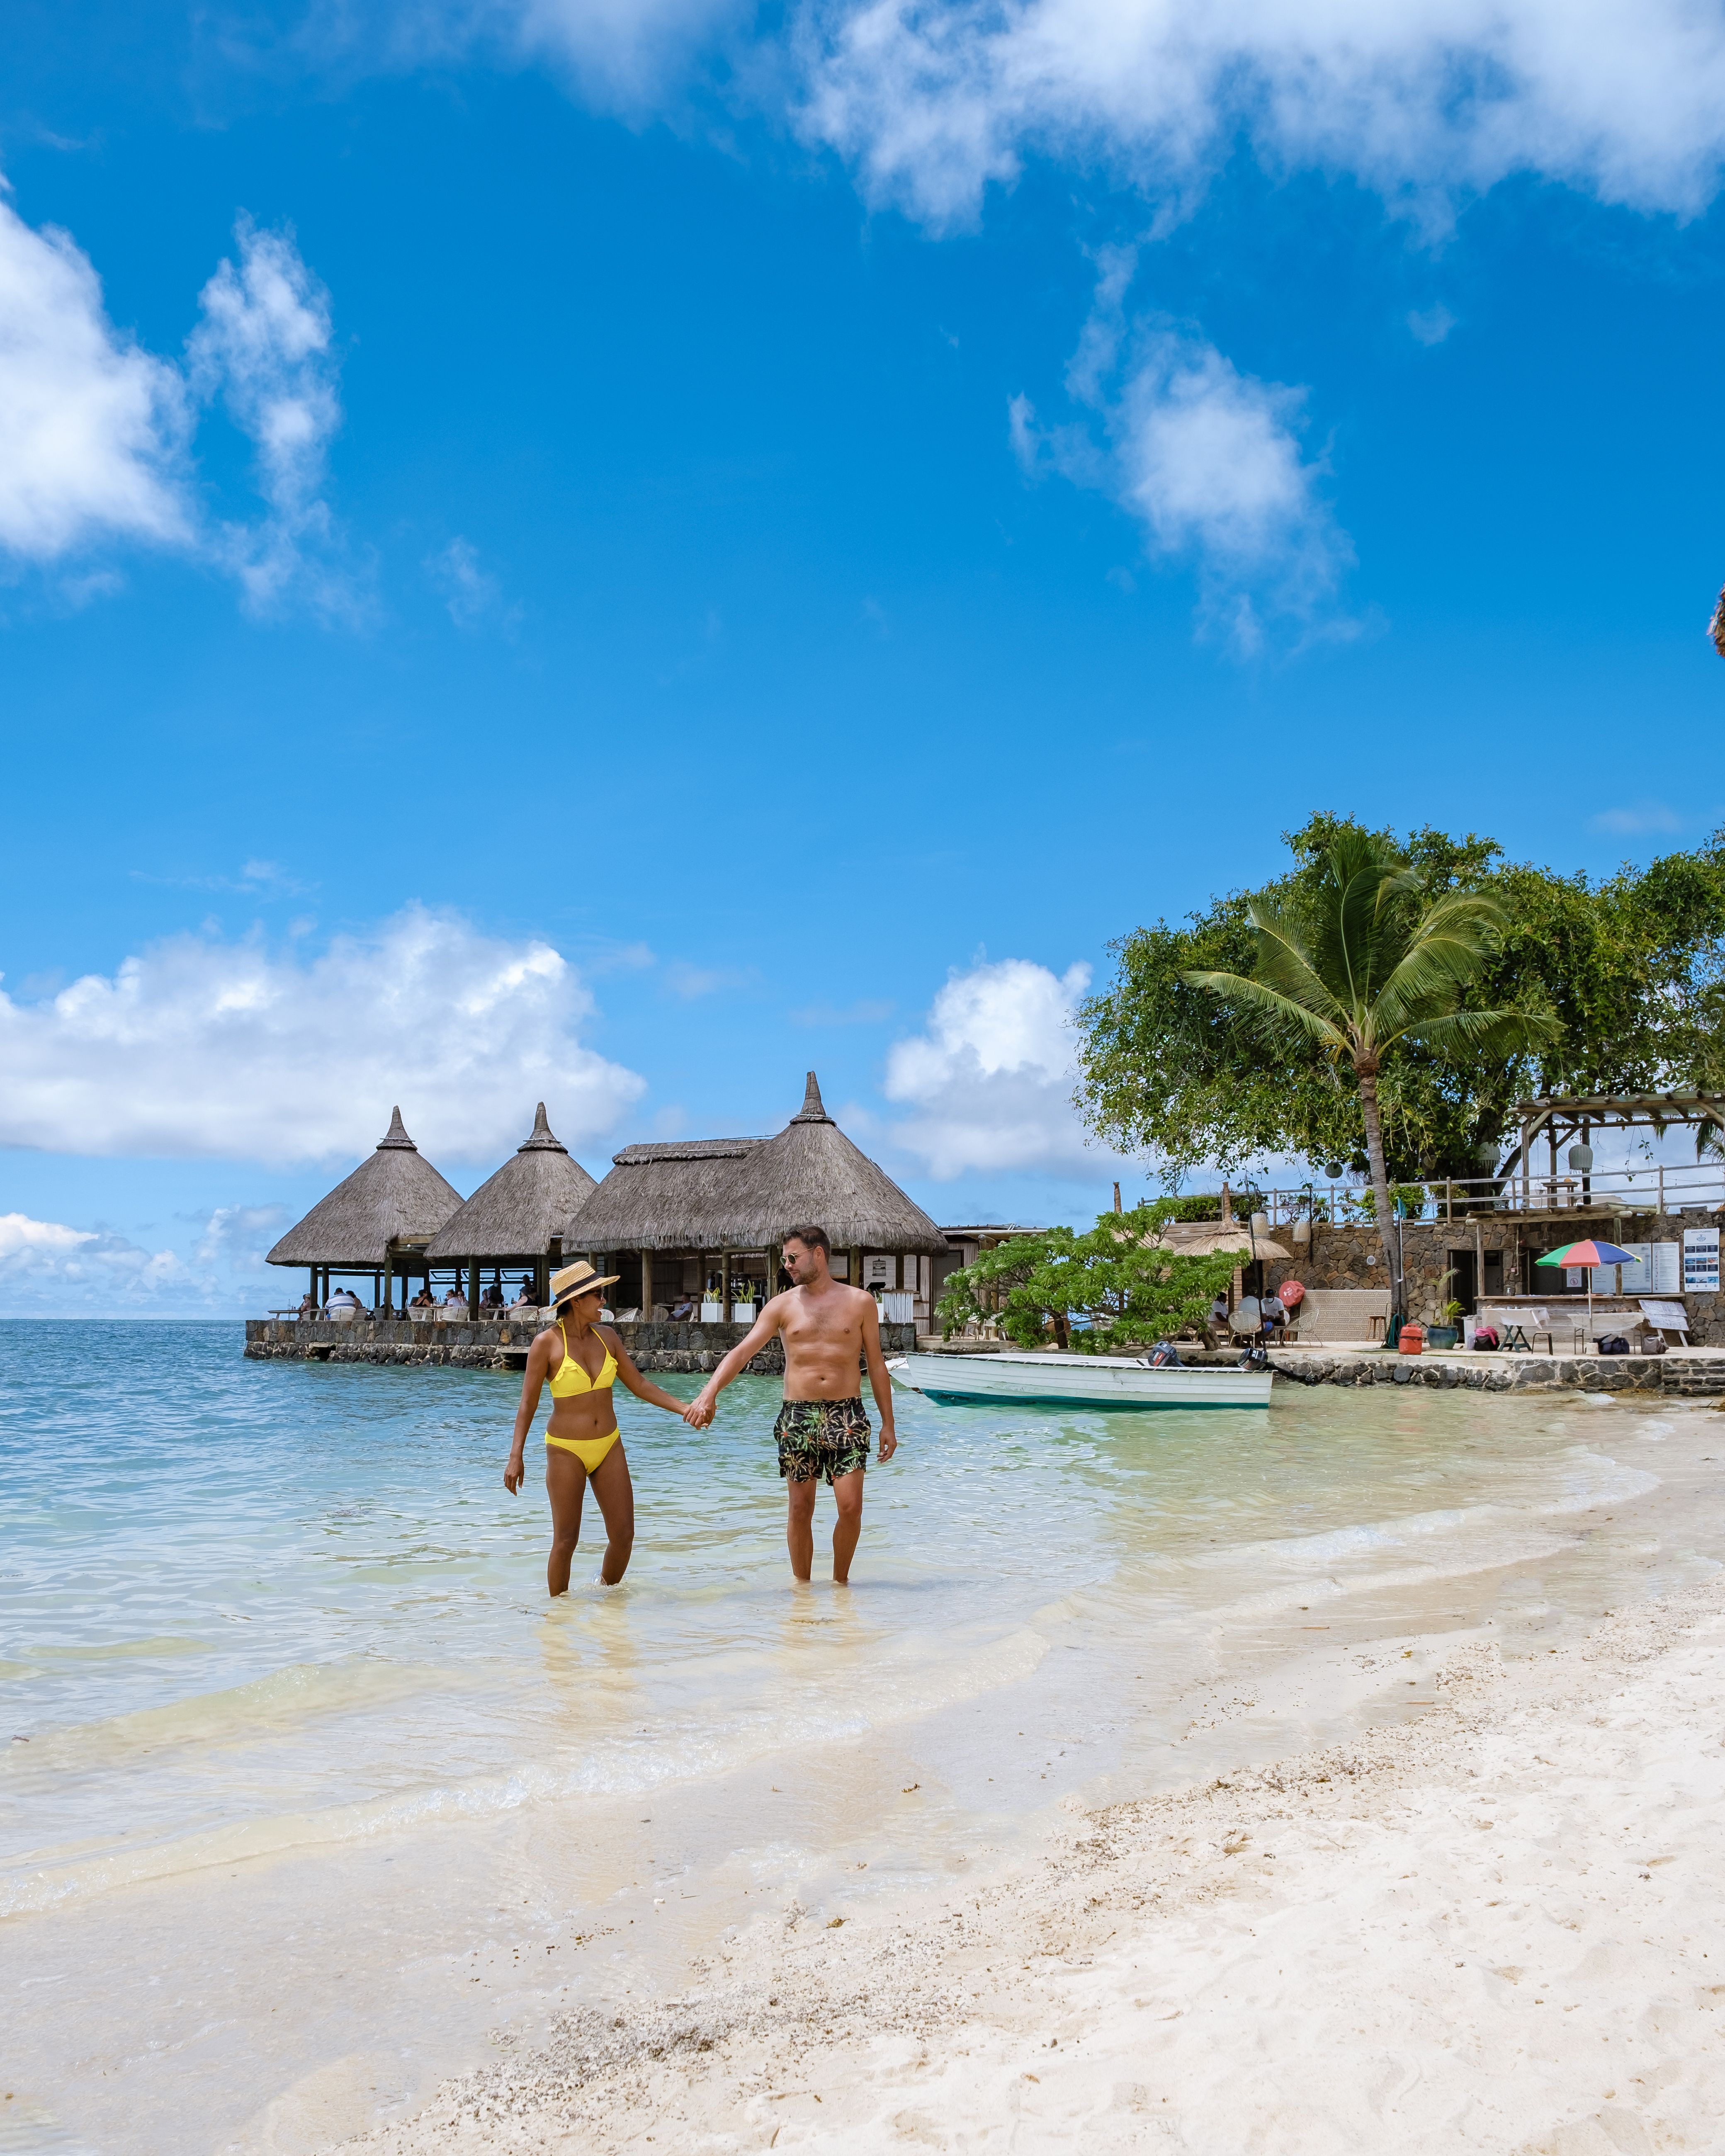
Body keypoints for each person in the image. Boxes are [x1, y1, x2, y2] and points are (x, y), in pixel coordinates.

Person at [683, 1224, 896, 1585]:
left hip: (847, 1414)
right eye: (784, 1259)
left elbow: (875, 1364)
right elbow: (742, 1352)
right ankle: (803, 1589)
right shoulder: (781, 1306)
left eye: (793, 1258)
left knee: (850, 1507)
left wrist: (888, 1423)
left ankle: (840, 1585)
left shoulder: (860, 1302)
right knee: (800, 1509)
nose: (787, 1265)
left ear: (818, 1254)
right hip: (798, 1415)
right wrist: (709, 1393)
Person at [503, 1259, 693, 1596]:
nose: (604, 1301)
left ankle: (606, 1600)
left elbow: (639, 1385)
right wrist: (515, 1456)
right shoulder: (546, 1344)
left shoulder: (608, 1338)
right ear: (576, 1301)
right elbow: (527, 1405)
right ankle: (559, 1618)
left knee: (623, 1536)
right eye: (598, 1295)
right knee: (566, 1540)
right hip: (566, 1450)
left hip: (609, 1444)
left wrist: (684, 1408)